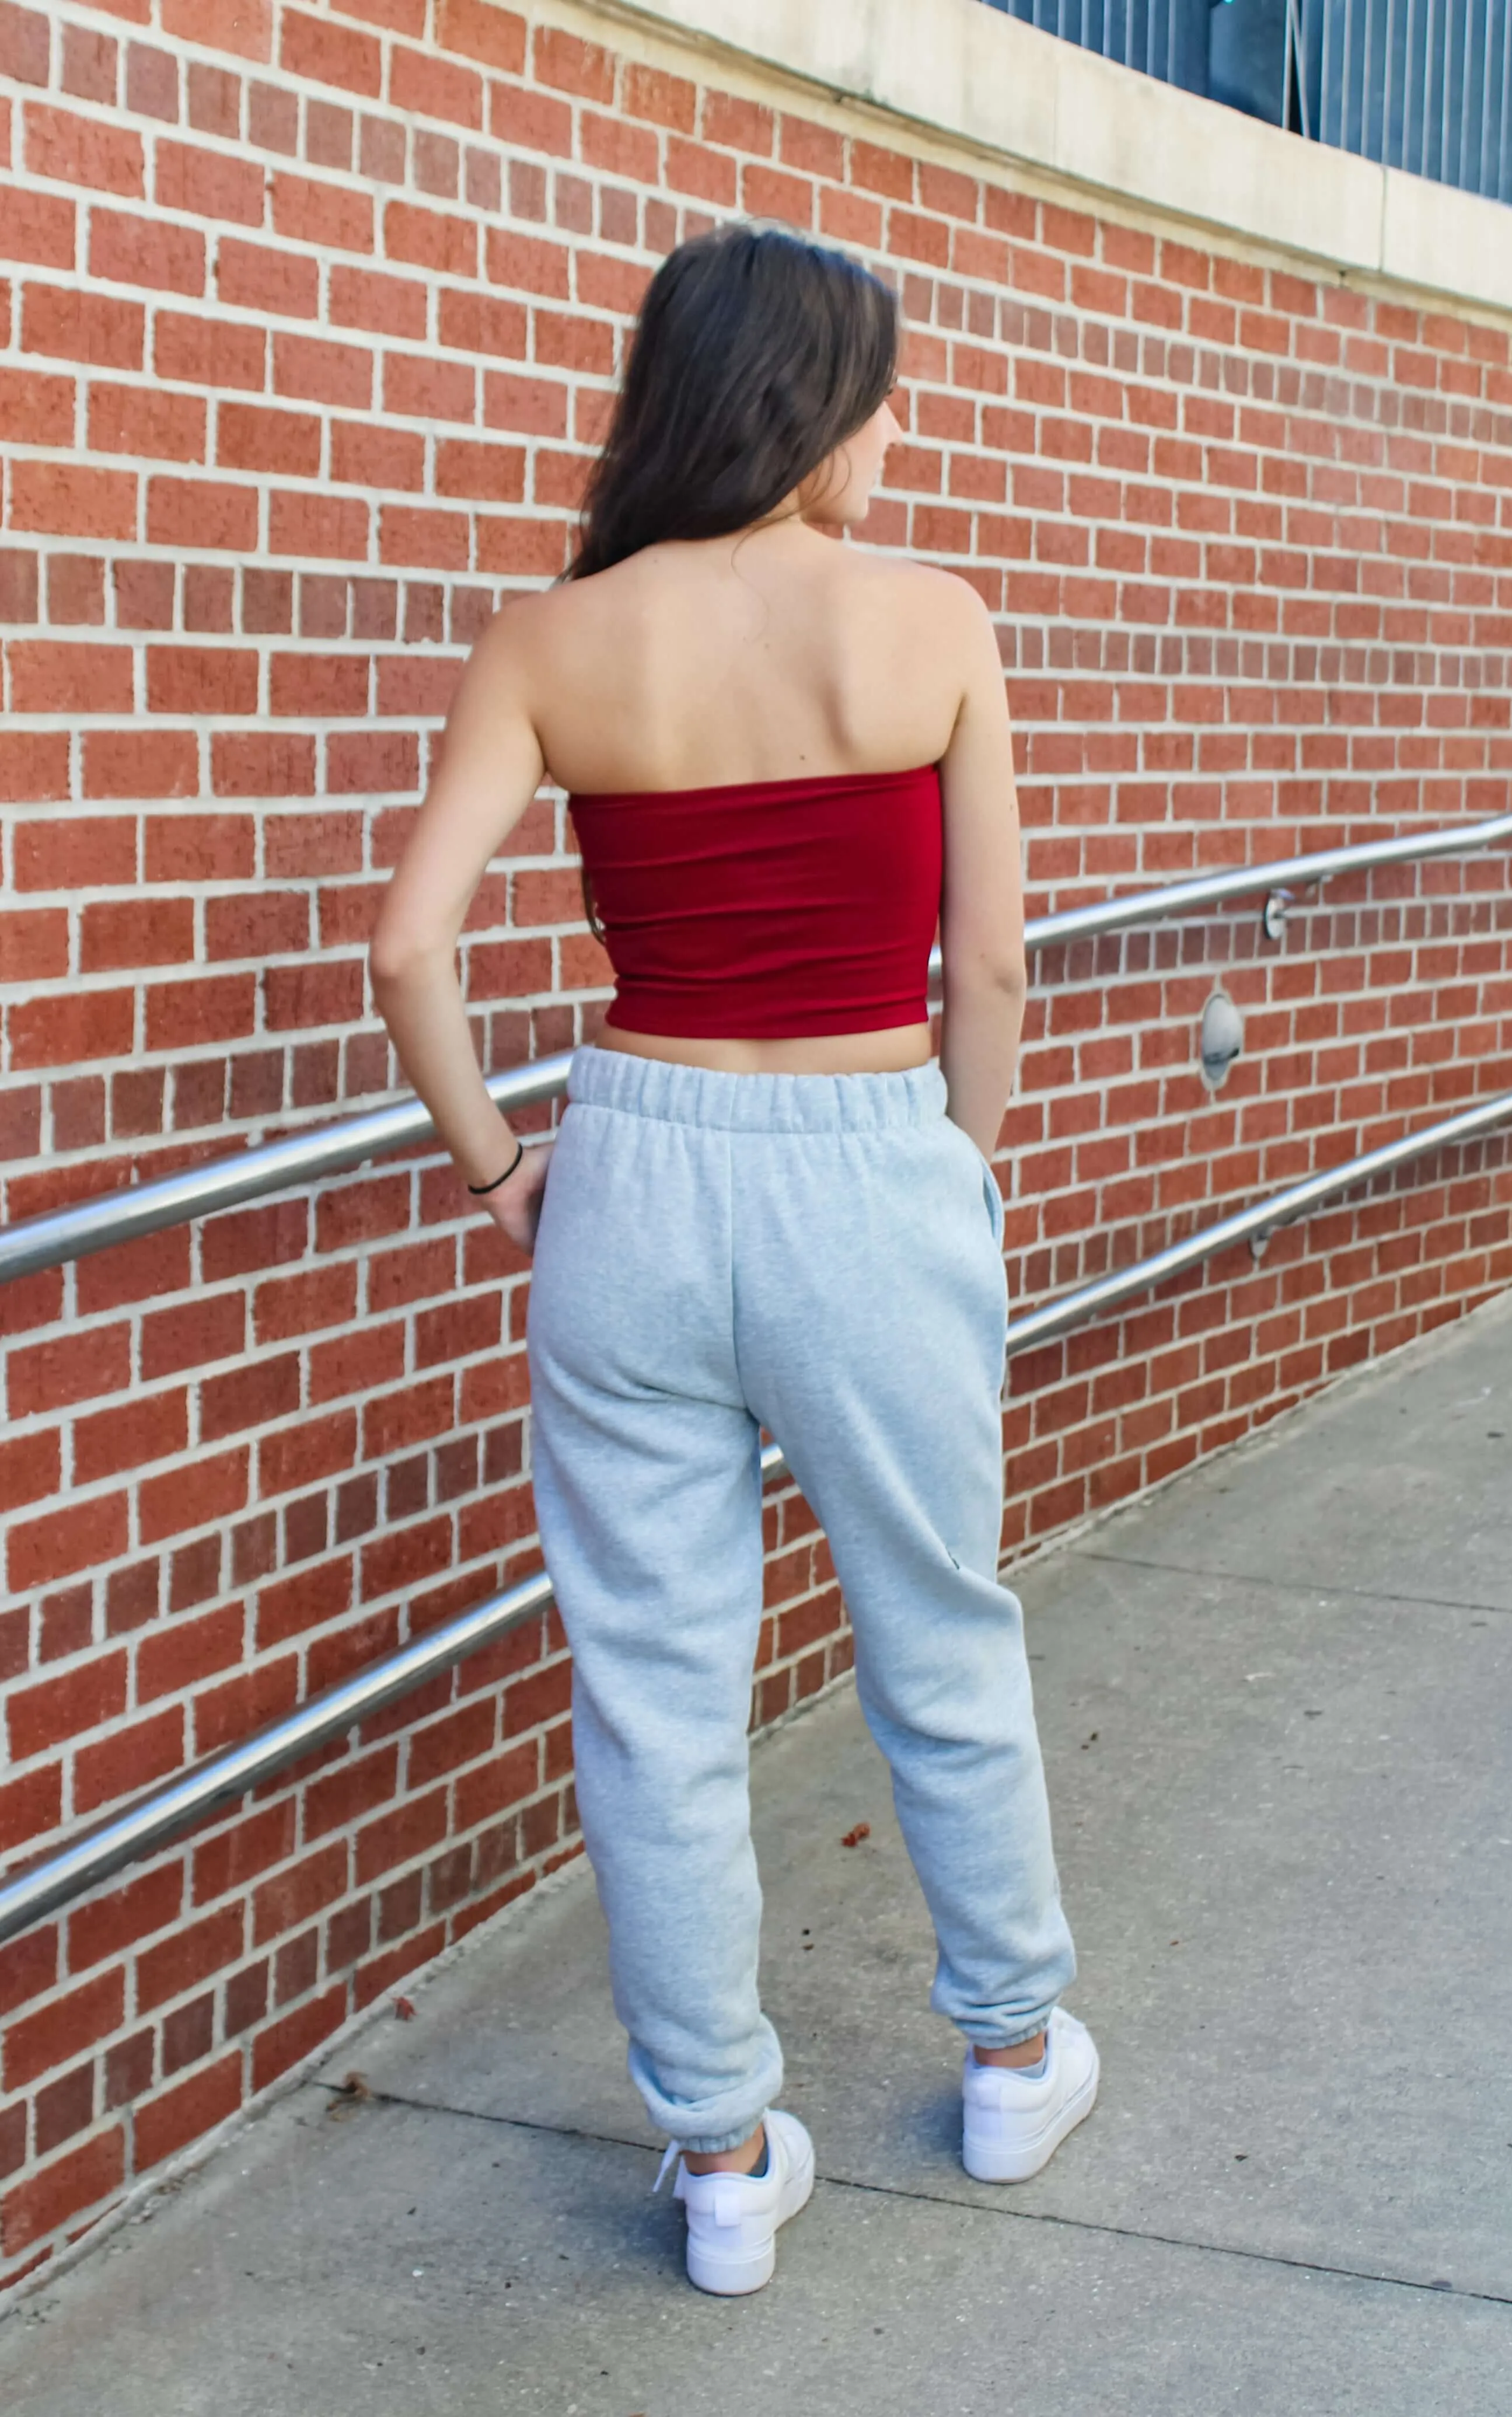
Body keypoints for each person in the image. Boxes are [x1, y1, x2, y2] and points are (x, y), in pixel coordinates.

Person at [368, 219, 1097, 2298]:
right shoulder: (935, 616)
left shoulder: (550, 638)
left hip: (637, 1174)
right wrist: (950, 1162)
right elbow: (992, 960)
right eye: (876, 386)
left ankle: (714, 2157)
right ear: (801, 401)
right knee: (940, 1635)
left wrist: (508, 1165)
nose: (892, 425)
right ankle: (1013, 2052)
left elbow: (408, 946)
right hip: (870, 1158)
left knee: (654, 1689)